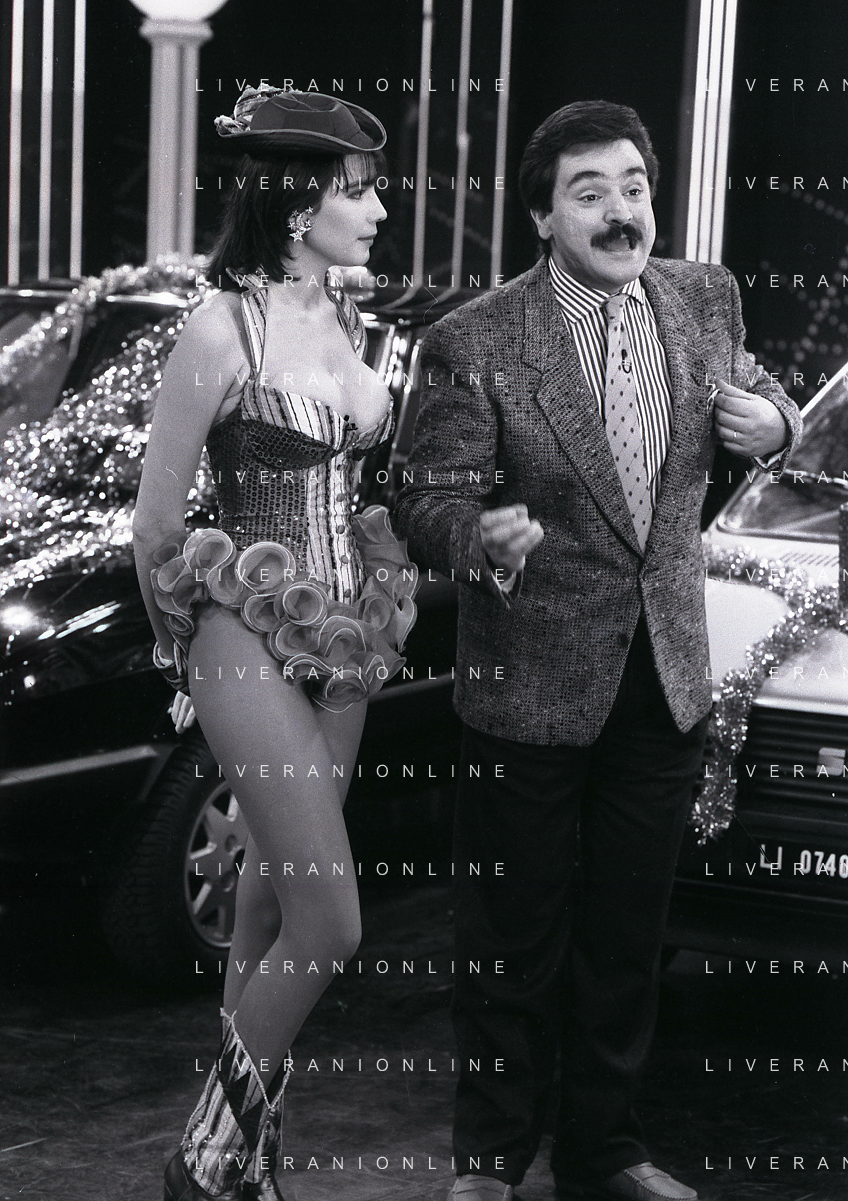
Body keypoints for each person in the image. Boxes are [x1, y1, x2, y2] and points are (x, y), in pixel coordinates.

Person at [393, 100, 801, 1201]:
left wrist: (777, 424)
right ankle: (487, 1162)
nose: (621, 212)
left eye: (632, 187)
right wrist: (476, 537)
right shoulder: (473, 340)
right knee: (510, 941)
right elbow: (422, 501)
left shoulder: (703, 297)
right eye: (589, 193)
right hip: (527, 684)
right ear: (542, 216)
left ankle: (605, 1150)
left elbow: (759, 389)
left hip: (663, 679)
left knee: (625, 938)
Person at [133, 85, 417, 1201]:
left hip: (345, 635)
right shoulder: (222, 327)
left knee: (264, 903)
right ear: (302, 204)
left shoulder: (344, 315)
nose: (380, 210)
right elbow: (156, 524)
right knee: (330, 922)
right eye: (362, 192)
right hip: (240, 627)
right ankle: (202, 1164)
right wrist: (184, 657)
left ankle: (249, 1166)